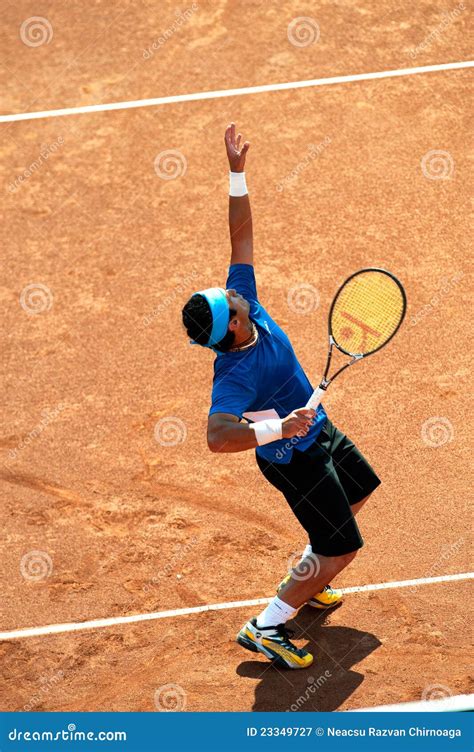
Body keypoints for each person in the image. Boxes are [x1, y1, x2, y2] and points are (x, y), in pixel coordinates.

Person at [181, 123, 381, 669]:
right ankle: (266, 626)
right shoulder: (235, 374)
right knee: (343, 546)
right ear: (235, 326)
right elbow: (217, 438)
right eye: (230, 300)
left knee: (362, 486)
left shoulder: (242, 302)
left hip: (315, 428)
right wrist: (280, 429)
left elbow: (239, 235)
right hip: (294, 456)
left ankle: (312, 576)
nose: (233, 291)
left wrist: (236, 174)